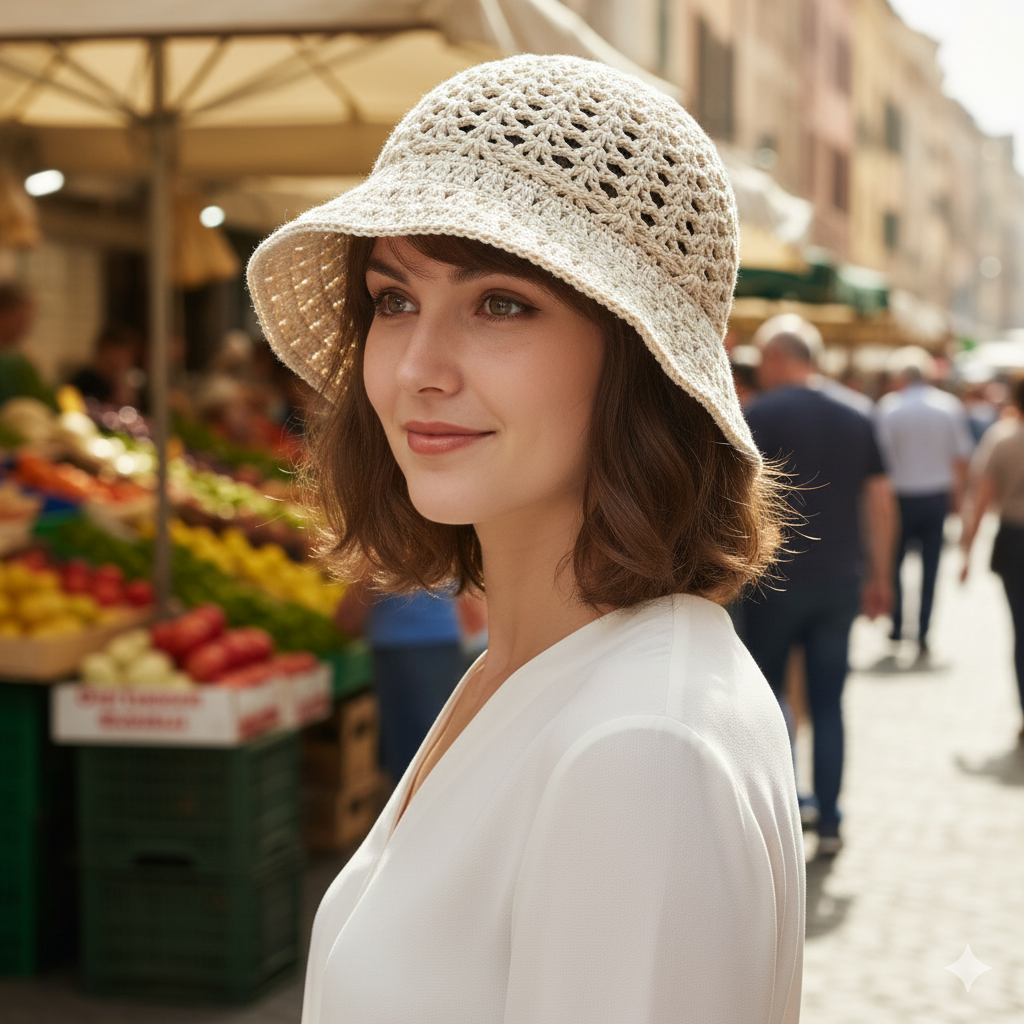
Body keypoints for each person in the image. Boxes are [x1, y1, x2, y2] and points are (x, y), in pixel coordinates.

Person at [248, 55, 803, 1023]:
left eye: (499, 303)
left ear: (638, 360)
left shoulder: (637, 748)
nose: (417, 365)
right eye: (392, 299)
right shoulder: (538, 666)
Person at [742, 315, 896, 856]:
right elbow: (879, 502)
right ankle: (829, 820)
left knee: (766, 701)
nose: (760, 371)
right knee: (830, 703)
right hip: (839, 581)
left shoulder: (758, 414)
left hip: (772, 583)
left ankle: (779, 820)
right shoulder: (858, 413)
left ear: (782, 358)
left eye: (763, 360)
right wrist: (881, 576)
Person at [875, 346, 974, 656]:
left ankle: (896, 625)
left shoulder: (889, 407)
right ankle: (923, 632)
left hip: (899, 498)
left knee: (895, 563)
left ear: (901, 376)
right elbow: (960, 459)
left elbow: (880, 461)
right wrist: (957, 498)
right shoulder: (948, 406)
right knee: (931, 568)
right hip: (935, 498)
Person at [334, 581, 472, 782]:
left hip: (405, 642)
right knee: (431, 747)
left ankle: (420, 810)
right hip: (441, 636)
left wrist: (350, 611)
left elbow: (373, 563)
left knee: (414, 757)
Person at [960, 377, 1024, 744]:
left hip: (1015, 540)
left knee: (1021, 631)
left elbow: (982, 498)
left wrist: (968, 551)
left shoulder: (1002, 438)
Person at [0, 282, 56, 410]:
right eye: (24, 318)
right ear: (4, 314)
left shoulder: (22, 356)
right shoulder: (13, 363)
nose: (28, 327)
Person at [69, 323, 142, 407]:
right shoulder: (83, 382)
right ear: (100, 352)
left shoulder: (131, 384)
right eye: (112, 361)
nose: (118, 364)